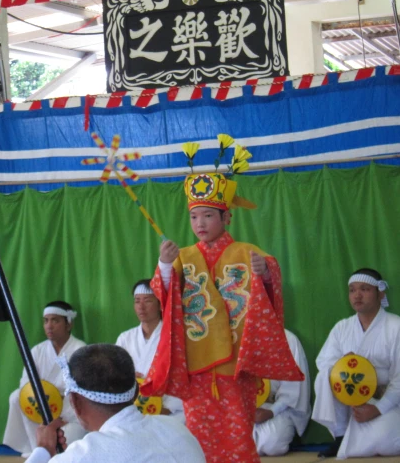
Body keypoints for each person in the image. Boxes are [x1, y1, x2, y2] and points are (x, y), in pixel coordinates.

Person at [142, 138, 303, 463]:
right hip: (197, 363)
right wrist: (163, 263)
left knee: (238, 433)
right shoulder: (183, 256)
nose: (199, 224)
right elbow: (163, 294)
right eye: (194, 217)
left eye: (208, 216)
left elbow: (270, 298)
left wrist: (267, 272)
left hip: (236, 364)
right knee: (198, 434)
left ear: (226, 217)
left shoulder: (248, 253)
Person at [27, 344, 205, 463]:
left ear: (75, 401)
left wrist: (43, 451)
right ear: (136, 392)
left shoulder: (83, 455)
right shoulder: (175, 428)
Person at [311, 268, 400, 459]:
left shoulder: (395, 326)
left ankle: (360, 435)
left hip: (387, 401)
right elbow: (324, 361)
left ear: (380, 293)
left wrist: (378, 408)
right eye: (352, 290)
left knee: (387, 443)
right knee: (325, 374)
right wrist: (342, 364)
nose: (357, 295)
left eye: (364, 289)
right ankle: (341, 434)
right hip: (348, 402)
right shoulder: (342, 327)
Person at [3, 301, 87, 455]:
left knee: (67, 447)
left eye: (55, 320)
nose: (49, 326)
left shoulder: (80, 350)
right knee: (16, 397)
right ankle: (36, 447)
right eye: (46, 321)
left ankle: (47, 450)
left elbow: (83, 389)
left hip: (69, 412)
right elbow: (26, 384)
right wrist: (44, 399)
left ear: (68, 325)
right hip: (41, 409)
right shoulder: (38, 351)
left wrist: (60, 405)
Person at [115, 280, 185, 423]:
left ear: (160, 303)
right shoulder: (125, 337)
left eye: (147, 301)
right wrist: (127, 376)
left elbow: (182, 376)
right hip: (132, 409)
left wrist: (166, 408)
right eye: (137, 301)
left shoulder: (174, 337)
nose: (141, 307)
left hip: (169, 408)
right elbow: (115, 373)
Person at [253, 329, 311, 456]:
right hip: (245, 410)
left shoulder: (287, 339)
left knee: (272, 442)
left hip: (277, 410)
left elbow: (292, 390)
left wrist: (271, 411)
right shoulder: (236, 336)